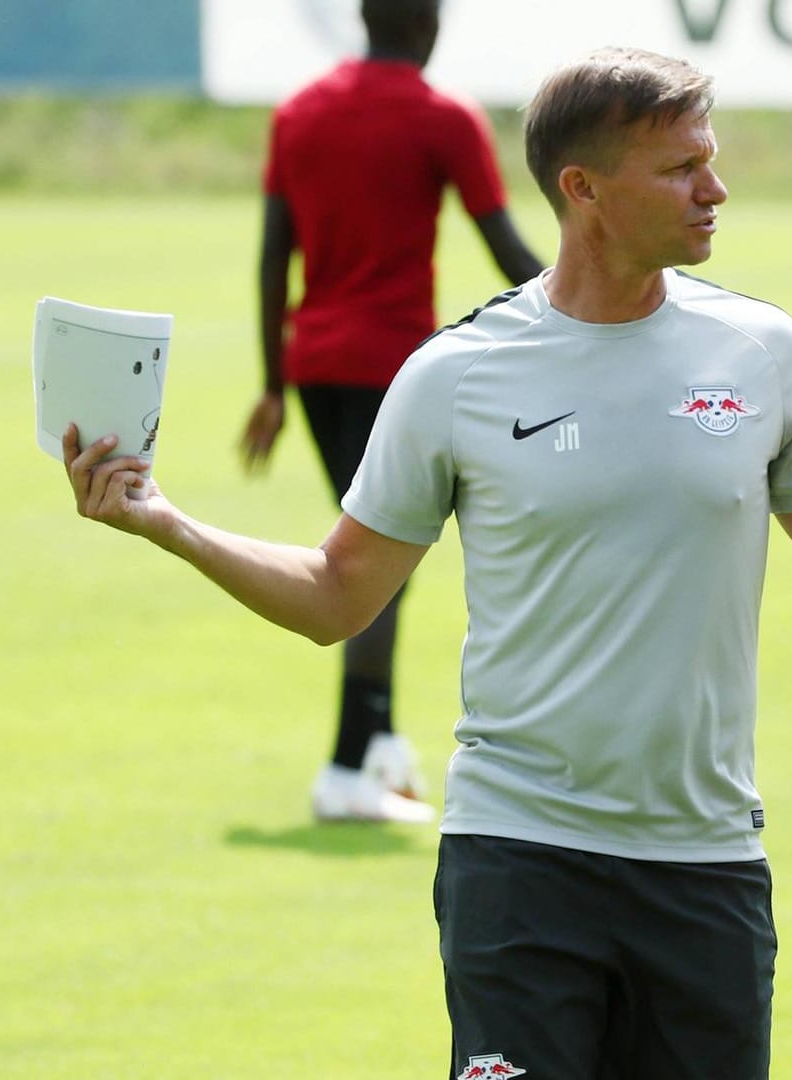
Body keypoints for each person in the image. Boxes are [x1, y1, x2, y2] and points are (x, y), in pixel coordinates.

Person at [64, 46, 792, 1079]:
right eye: (683, 168)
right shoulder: (453, 376)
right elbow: (340, 596)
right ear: (584, 190)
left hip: (705, 869)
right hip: (518, 861)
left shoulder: (763, 353)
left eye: (712, 158)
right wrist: (170, 524)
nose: (717, 188)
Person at [239, 0, 545, 823]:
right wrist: (603, 305)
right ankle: (348, 769)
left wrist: (271, 383)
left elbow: (276, 254)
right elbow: (507, 250)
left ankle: (376, 750)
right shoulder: (442, 116)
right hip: (395, 369)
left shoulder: (300, 111)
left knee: (377, 559)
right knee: (378, 567)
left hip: (314, 366)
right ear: (427, 25)